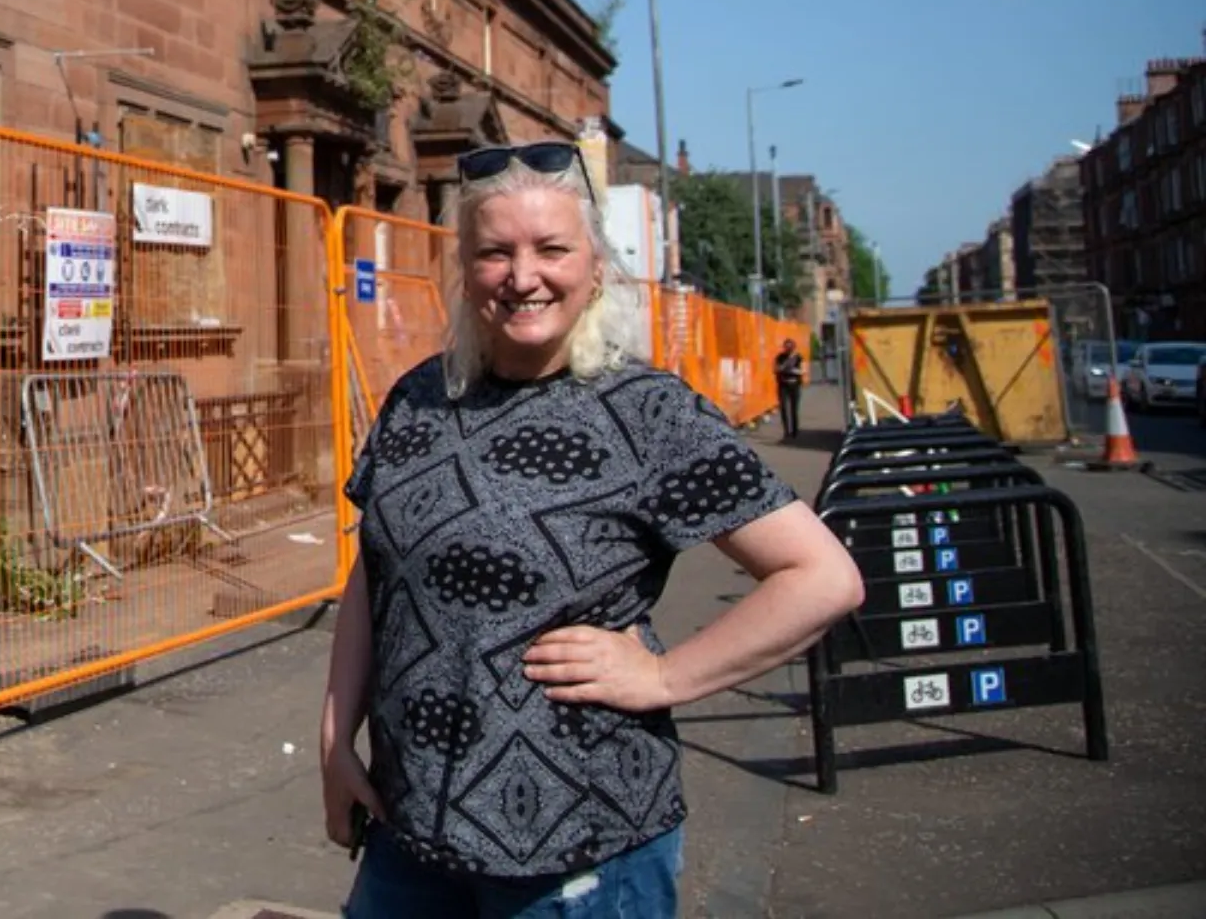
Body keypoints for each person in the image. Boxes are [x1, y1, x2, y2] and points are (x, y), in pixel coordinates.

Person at [321, 142, 863, 918]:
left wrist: (666, 678)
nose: (523, 275)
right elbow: (376, 570)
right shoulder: (419, 400)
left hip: (579, 846)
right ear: (465, 270)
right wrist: (335, 743)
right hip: (410, 835)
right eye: (495, 252)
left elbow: (823, 578)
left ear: (597, 267)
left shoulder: (649, 414)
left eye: (552, 249)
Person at [775, 338, 806, 441]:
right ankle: (786, 431)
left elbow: (802, 371)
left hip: (794, 385)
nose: (788, 349)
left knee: (794, 408)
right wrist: (783, 367)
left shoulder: (798, 358)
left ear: (793, 347)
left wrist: (793, 370)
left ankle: (795, 431)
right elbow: (776, 369)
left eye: (790, 347)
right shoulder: (780, 357)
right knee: (784, 408)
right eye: (786, 347)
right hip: (783, 385)